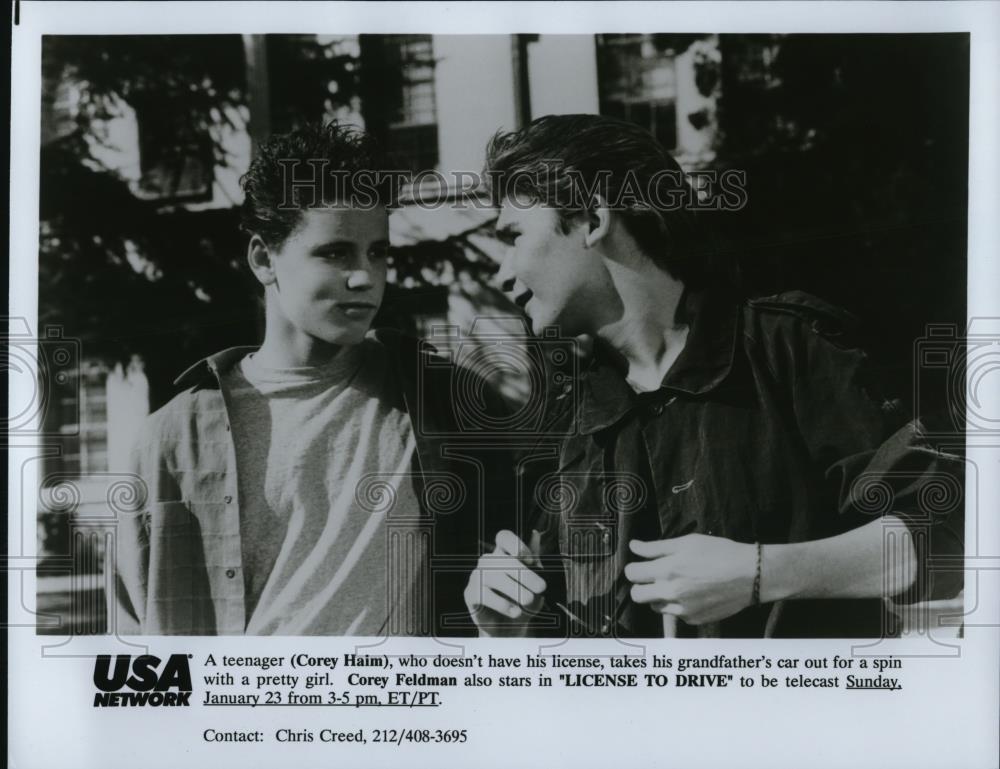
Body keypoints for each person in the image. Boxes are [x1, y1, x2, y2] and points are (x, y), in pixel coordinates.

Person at [464, 114, 964, 638]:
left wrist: (760, 574)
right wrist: (503, 626)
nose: (500, 272)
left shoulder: (788, 350)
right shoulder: (566, 419)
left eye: (513, 236)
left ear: (592, 219)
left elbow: (946, 531)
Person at [111, 122, 511, 636]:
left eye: (378, 252)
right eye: (335, 252)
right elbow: (131, 633)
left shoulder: (442, 400)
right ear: (263, 258)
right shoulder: (172, 438)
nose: (365, 276)